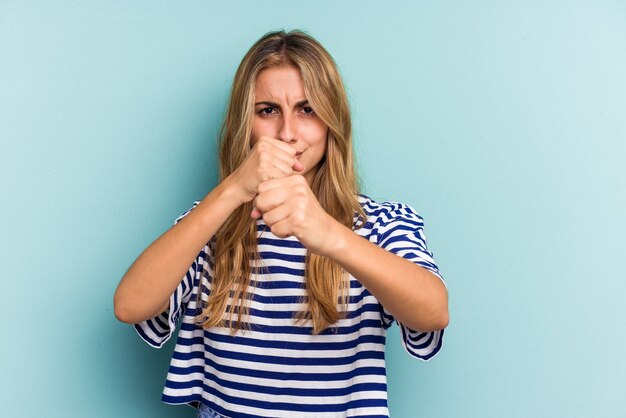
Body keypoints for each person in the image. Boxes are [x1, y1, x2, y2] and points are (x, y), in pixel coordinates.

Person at [114, 29, 449, 418]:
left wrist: (329, 235)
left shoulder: (379, 222)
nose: (288, 133)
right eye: (268, 110)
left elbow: (433, 312)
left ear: (331, 122)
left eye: (307, 110)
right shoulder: (209, 225)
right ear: (246, 123)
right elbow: (130, 305)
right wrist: (231, 191)